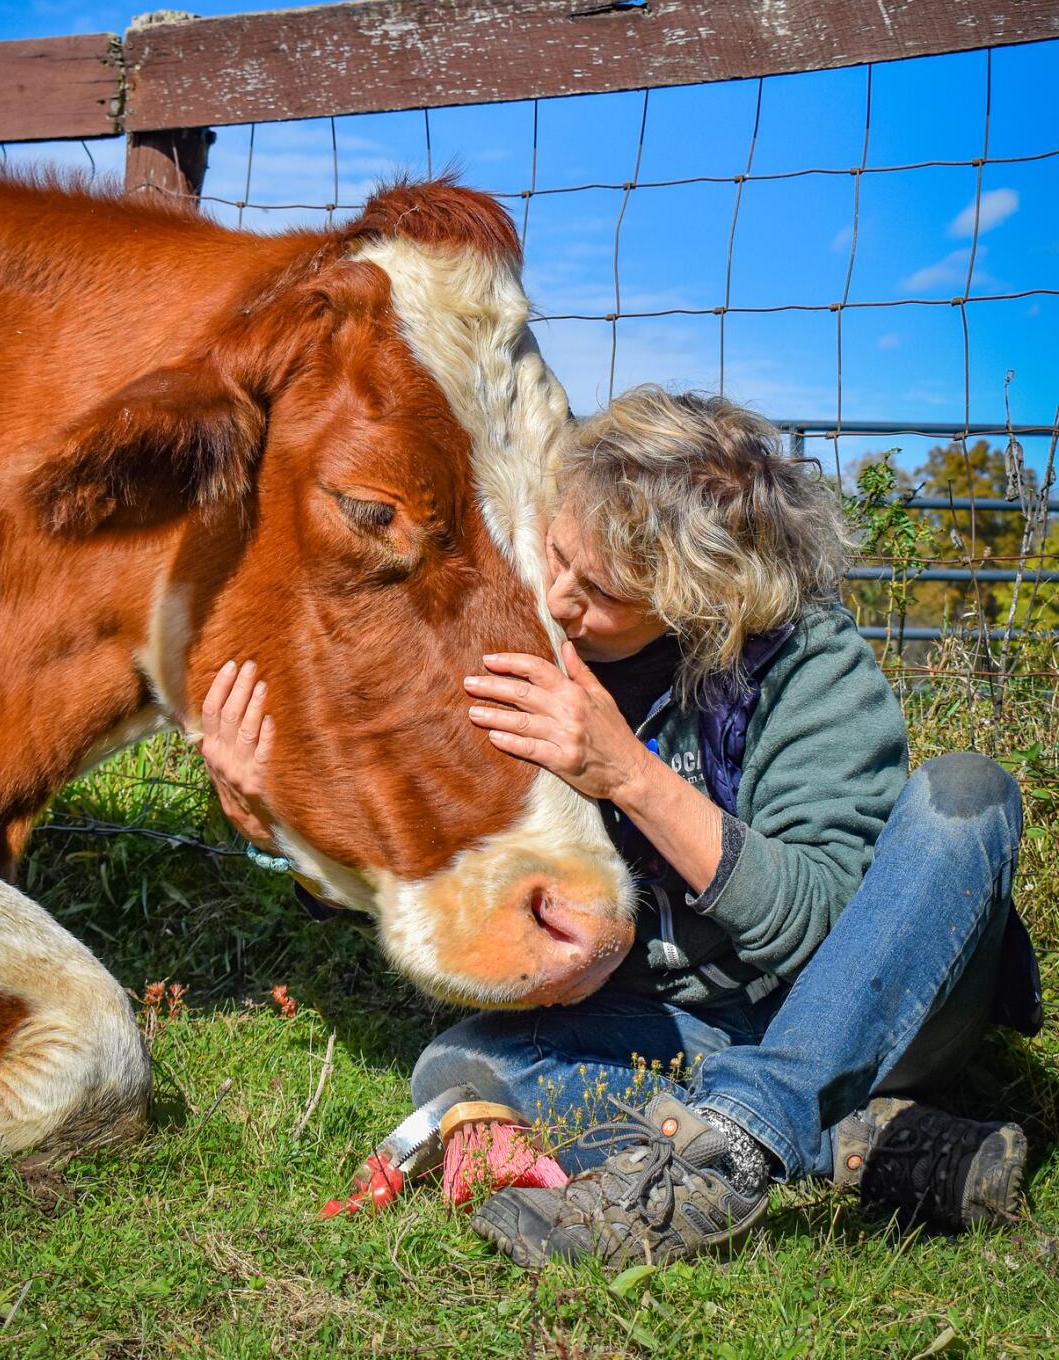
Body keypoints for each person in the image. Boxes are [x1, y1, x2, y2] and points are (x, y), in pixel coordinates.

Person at [198, 387, 1033, 1272]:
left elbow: (826, 928)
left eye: (599, 592)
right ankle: (853, 1139)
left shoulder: (808, 667)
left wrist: (627, 776)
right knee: (462, 1065)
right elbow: (438, 860)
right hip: (685, 1023)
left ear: (702, 604)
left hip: (877, 1014)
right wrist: (283, 826)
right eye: (556, 555)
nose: (556, 600)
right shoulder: (527, 641)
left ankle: (744, 1141)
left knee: (966, 795)